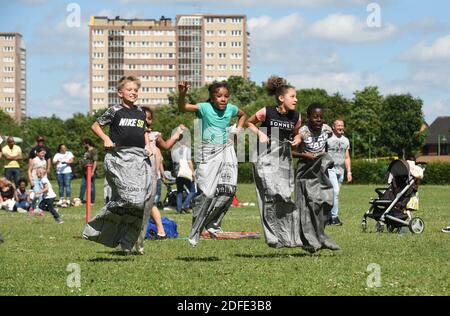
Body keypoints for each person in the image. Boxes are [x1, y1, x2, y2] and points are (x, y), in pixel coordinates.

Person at [83, 75, 155, 255]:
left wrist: (148, 146)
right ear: (120, 93)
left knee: (139, 203)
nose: (133, 93)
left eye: (136, 90)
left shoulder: (140, 112)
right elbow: (95, 125)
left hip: (138, 160)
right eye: (129, 90)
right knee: (127, 199)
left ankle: (127, 242)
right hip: (118, 158)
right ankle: (96, 229)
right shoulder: (115, 110)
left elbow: (145, 132)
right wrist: (106, 138)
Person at [178, 81, 247, 247]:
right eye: (219, 96)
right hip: (206, 153)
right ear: (212, 97)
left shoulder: (230, 108)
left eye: (225, 96)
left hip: (224, 150)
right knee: (208, 194)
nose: (223, 99)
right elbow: (183, 107)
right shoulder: (204, 107)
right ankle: (196, 229)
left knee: (228, 190)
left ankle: (212, 224)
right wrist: (182, 93)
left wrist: (236, 131)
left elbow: (243, 115)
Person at [246, 75, 302, 249]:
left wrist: (298, 139)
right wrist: (260, 133)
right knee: (269, 194)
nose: (296, 100)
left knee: (285, 196)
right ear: (281, 98)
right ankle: (271, 236)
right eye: (292, 96)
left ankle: (288, 237)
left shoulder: (296, 116)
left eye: (295, 97)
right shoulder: (267, 111)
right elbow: (248, 122)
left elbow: (297, 133)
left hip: (284, 158)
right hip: (264, 155)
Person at [293, 102, 340, 252]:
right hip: (305, 170)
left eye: (321, 117)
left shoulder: (327, 130)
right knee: (309, 205)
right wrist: (303, 154)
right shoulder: (302, 132)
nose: (319, 120)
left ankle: (320, 234)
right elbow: (290, 151)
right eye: (315, 117)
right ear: (308, 118)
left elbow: (325, 144)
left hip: (321, 169)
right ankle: (311, 241)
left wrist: (326, 158)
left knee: (327, 201)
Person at [141, 106, 184, 239]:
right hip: (136, 172)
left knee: (149, 202)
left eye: (149, 118)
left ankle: (160, 230)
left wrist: (176, 136)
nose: (147, 121)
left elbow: (165, 146)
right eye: (143, 119)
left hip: (150, 174)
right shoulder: (134, 134)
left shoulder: (154, 135)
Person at [327, 119, 352, 226]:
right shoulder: (327, 139)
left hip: (340, 170)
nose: (341, 127)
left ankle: (327, 217)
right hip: (330, 169)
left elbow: (347, 157)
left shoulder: (346, 140)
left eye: (342, 125)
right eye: (338, 125)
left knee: (333, 195)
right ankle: (334, 217)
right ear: (333, 127)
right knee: (335, 192)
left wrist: (349, 172)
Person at [171, 136, 196, 215]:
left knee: (179, 192)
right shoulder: (187, 150)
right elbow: (189, 161)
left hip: (178, 174)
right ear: (185, 142)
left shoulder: (174, 151)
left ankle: (178, 210)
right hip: (186, 174)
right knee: (193, 191)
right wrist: (193, 172)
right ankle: (184, 205)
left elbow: (174, 163)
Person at [27, 147, 47, 211]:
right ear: (37, 153)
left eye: (44, 153)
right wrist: (31, 180)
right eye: (41, 153)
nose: (43, 154)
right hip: (35, 179)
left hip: (42, 180)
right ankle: (33, 207)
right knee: (37, 194)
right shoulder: (34, 160)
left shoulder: (44, 161)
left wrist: (45, 180)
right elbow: (29, 170)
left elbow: (44, 171)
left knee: (41, 194)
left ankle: (37, 207)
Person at [79, 139, 98, 205]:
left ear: (88, 143)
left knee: (91, 186)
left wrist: (92, 171)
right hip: (85, 171)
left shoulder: (93, 150)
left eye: (84, 144)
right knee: (83, 185)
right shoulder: (86, 150)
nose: (83, 145)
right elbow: (85, 159)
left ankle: (92, 201)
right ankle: (80, 200)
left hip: (90, 171)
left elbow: (95, 161)